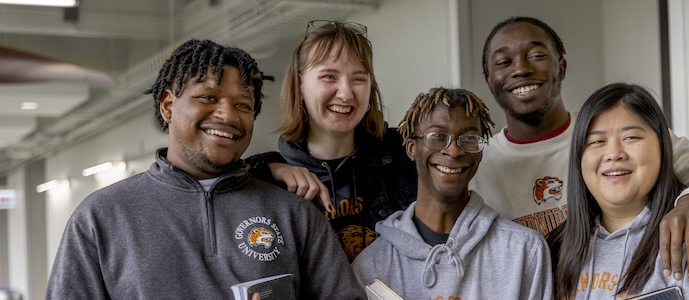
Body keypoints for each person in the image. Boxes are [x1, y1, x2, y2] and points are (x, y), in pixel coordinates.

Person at [46, 39, 365, 299]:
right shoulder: (101, 217)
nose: (227, 115)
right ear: (169, 106)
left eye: (243, 105)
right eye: (208, 97)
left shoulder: (294, 214)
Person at [474, 16, 689, 280]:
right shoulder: (477, 165)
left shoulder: (610, 134)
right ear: (489, 79)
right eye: (504, 62)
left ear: (561, 66)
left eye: (536, 55)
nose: (521, 69)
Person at [353, 87, 552, 299]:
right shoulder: (371, 265)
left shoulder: (524, 251)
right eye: (437, 136)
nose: (454, 151)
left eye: (469, 138)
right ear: (411, 148)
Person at [245, 20, 417, 261]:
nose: (346, 93)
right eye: (329, 76)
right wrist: (267, 168)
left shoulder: (405, 153)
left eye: (358, 79)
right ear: (300, 84)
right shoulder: (273, 180)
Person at [547, 82, 689, 299]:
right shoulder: (554, 250)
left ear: (664, 146)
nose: (614, 153)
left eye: (631, 137)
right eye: (597, 141)